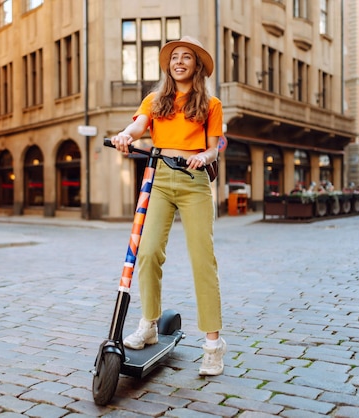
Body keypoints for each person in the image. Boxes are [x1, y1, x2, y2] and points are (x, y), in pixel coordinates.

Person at [110, 35, 226, 376]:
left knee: (202, 260)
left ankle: (213, 345)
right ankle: (148, 323)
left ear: (196, 66)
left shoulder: (211, 104)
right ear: (168, 65)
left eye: (186, 57)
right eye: (175, 56)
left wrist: (204, 156)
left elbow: (214, 148)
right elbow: (138, 125)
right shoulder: (155, 99)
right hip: (159, 179)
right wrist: (125, 135)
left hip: (194, 182)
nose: (179, 61)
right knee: (146, 253)